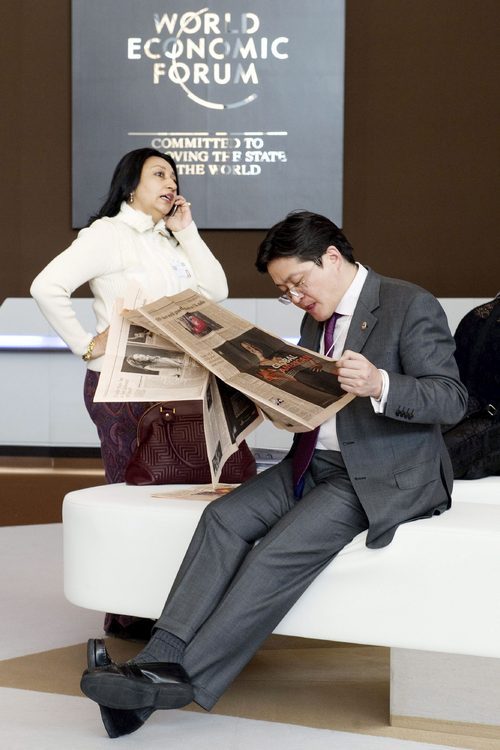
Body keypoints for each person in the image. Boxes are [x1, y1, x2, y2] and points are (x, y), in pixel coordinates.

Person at [79, 210, 467, 738]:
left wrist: (382, 384)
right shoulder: (316, 318)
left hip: (376, 473)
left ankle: (177, 680)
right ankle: (154, 662)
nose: (296, 298)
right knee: (223, 519)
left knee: (275, 552)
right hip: (311, 462)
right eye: (285, 291)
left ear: (332, 258)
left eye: (298, 283)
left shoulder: (408, 303)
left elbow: (451, 399)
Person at [31, 148, 228, 638]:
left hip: (176, 385)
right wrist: (85, 344)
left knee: (170, 498)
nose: (171, 182)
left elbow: (216, 291)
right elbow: (46, 286)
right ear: (130, 185)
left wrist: (187, 231)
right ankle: (126, 612)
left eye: (174, 176)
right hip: (123, 387)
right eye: (159, 174)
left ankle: (164, 605)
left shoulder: (170, 240)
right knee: (131, 495)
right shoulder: (109, 234)